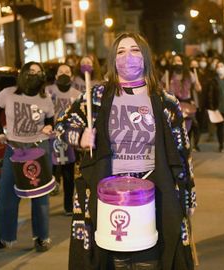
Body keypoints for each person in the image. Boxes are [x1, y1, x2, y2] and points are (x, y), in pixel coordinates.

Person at [55, 32, 196, 270]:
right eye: (121, 51)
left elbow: (183, 151)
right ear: (112, 59)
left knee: (151, 254)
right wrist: (79, 137)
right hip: (109, 191)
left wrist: (189, 194)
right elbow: (61, 125)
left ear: (145, 57)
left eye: (134, 50)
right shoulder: (96, 97)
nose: (127, 56)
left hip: (153, 189)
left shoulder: (165, 101)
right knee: (112, 257)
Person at [0, 61, 55, 252]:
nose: (34, 75)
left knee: (40, 196)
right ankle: (1, 238)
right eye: (31, 71)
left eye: (39, 73)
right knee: (6, 194)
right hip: (13, 149)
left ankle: (42, 238)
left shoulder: (45, 98)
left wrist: (50, 127)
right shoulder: (8, 93)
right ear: (23, 73)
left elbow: (50, 120)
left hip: (39, 148)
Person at [45, 64, 82, 214]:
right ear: (55, 76)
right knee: (51, 169)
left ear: (72, 76)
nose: (64, 74)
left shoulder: (77, 94)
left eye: (67, 72)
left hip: (69, 138)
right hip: (51, 137)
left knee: (68, 172)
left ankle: (68, 205)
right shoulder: (48, 92)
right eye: (61, 72)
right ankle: (51, 190)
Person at [163, 54, 202, 152]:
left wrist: (198, 85)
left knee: (186, 130)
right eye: (175, 61)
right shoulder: (168, 75)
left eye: (179, 61)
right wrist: (165, 90)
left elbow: (198, 88)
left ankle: (186, 152)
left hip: (187, 106)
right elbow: (161, 89)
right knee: (176, 131)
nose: (177, 63)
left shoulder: (189, 74)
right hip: (173, 106)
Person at [206, 61, 224, 152]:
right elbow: (210, 94)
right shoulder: (214, 80)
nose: (220, 68)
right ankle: (221, 145)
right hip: (219, 108)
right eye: (218, 66)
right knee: (220, 128)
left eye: (222, 66)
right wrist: (212, 106)